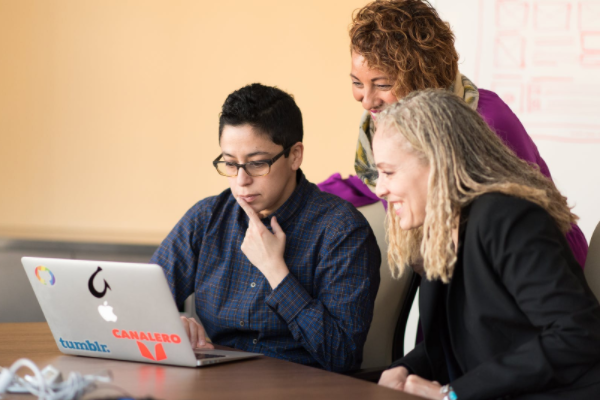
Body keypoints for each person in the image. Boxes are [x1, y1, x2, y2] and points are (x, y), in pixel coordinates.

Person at [373, 89, 600, 400]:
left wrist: (452, 395)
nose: (379, 188)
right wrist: (405, 370)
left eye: (388, 172)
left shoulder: (508, 217)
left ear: (438, 162)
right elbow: (460, 341)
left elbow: (577, 334)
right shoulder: (441, 229)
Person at [150, 83, 380, 373]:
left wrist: (276, 271)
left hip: (303, 388)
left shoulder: (341, 231)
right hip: (217, 384)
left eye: (257, 164)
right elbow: (142, 301)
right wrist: (169, 325)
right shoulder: (207, 218)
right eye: (231, 164)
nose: (241, 180)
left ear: (295, 155)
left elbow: (341, 354)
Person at [348, 0, 588, 267]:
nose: (367, 101)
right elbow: (377, 180)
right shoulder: (385, 124)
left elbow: (524, 222)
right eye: (357, 83)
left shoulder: (485, 119)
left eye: (382, 85)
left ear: (420, 78)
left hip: (540, 267)